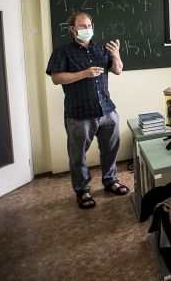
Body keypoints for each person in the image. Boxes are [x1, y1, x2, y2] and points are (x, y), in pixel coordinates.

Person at [46, 12, 129, 209]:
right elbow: (56, 78)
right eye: (82, 26)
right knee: (78, 155)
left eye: (89, 25)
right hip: (79, 114)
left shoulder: (101, 49)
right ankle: (82, 190)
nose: (87, 29)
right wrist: (84, 73)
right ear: (72, 29)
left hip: (107, 111)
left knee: (110, 150)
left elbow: (118, 70)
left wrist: (116, 54)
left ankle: (110, 181)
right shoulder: (63, 51)